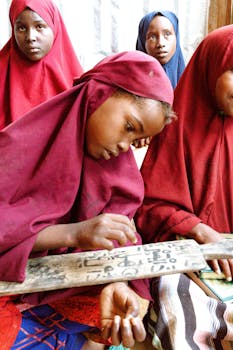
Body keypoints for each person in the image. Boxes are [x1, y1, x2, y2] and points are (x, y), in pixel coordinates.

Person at [0, 50, 175, 349]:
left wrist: (118, 281)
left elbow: (123, 238)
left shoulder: (119, 174)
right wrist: (74, 232)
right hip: (13, 289)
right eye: (129, 127)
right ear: (98, 94)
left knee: (115, 310)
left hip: (66, 294)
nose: (124, 146)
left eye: (136, 141)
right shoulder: (18, 146)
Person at [135, 24, 233, 349]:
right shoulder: (177, 127)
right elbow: (148, 207)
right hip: (187, 259)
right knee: (180, 312)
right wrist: (198, 230)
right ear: (211, 67)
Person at [0, 0, 83, 129]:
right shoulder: (2, 71)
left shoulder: (78, 82)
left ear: (54, 26)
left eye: (39, 26)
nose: (30, 37)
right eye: (21, 28)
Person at [136, 10, 185, 89]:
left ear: (176, 38)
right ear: (142, 42)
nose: (160, 44)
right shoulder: (130, 87)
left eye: (167, 34)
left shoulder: (191, 84)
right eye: (152, 37)